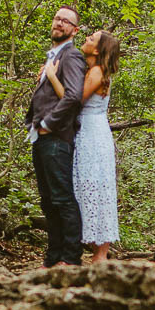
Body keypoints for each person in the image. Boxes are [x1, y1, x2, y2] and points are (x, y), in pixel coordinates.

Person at [46, 29, 121, 263]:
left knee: (97, 188)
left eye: (91, 39)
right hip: (84, 133)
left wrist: (52, 76)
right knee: (83, 188)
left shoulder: (97, 71)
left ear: (98, 50)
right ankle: (91, 250)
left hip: (93, 135)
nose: (86, 39)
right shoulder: (91, 70)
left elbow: (74, 102)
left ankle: (101, 255)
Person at [24, 5, 87, 267]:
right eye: (57, 18)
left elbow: (73, 96)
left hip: (56, 136)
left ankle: (71, 258)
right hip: (40, 137)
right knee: (48, 201)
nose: (59, 23)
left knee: (62, 198)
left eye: (66, 21)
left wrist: (49, 123)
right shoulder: (53, 56)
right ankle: (53, 257)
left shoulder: (71, 56)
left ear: (75, 30)